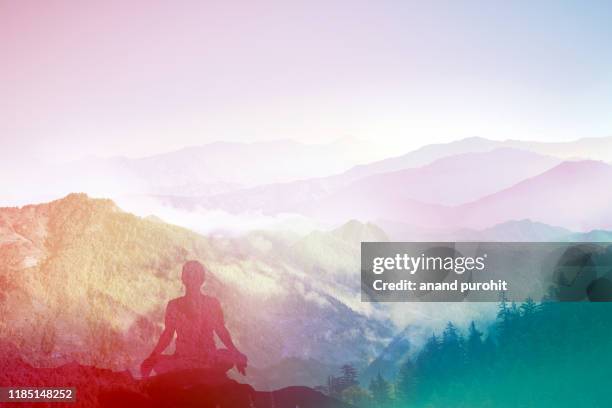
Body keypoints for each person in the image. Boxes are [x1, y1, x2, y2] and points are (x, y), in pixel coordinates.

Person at [140, 260, 247, 378]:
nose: (192, 279)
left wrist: (235, 352)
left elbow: (220, 330)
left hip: (208, 357)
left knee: (228, 356)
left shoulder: (212, 303)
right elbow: (168, 334)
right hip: (183, 358)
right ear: (183, 278)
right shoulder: (173, 305)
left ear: (202, 279)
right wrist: (152, 356)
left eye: (195, 275)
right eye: (189, 275)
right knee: (157, 362)